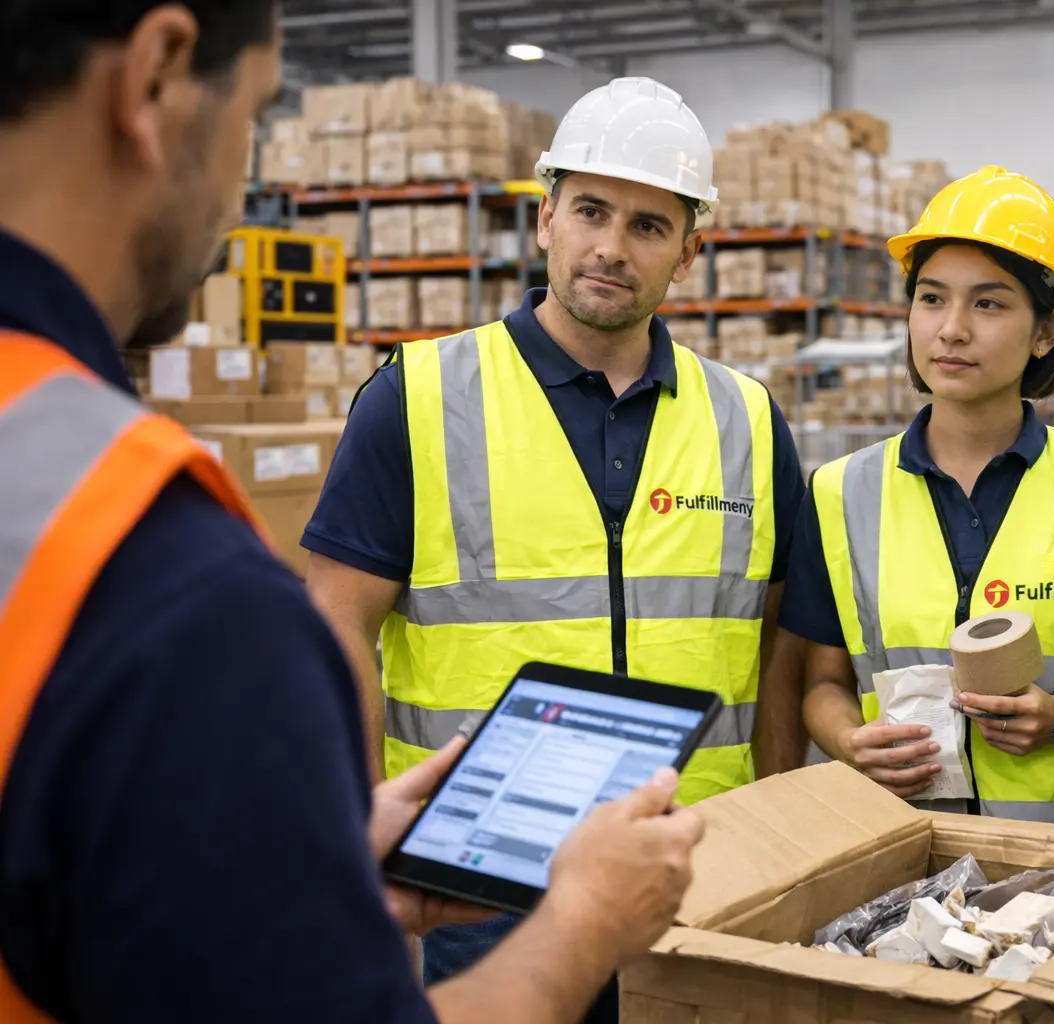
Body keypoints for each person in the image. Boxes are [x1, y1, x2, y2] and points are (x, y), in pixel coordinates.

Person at [0, 4, 706, 1023]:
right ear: (155, 78)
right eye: (254, 111)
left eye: (648, 222)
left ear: (687, 248)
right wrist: (587, 918)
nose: (241, 181)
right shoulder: (169, 591)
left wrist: (306, 856)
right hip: (515, 915)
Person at [300, 76, 808, 998]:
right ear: (545, 219)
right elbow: (334, 625)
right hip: (485, 876)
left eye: (649, 226)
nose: (611, 248)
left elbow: (777, 647)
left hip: (693, 865)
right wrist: (353, 826)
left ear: (690, 254)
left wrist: (767, 831)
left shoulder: (747, 419)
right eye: (591, 211)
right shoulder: (416, 400)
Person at [782, 166, 1054, 821]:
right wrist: (849, 742)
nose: (951, 329)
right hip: (901, 854)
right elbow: (823, 681)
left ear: (1045, 332)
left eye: (988, 303)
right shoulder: (839, 493)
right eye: (931, 299)